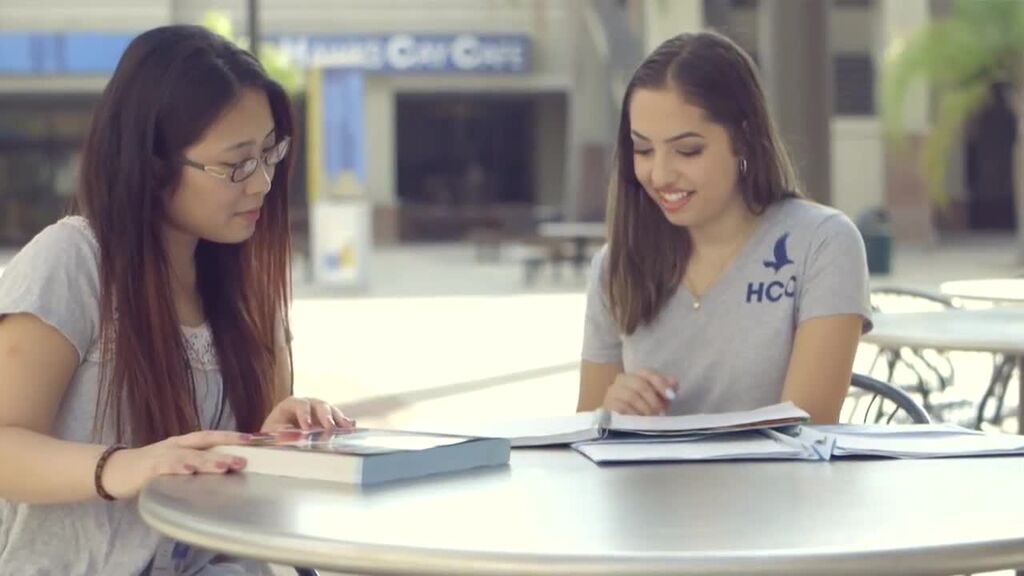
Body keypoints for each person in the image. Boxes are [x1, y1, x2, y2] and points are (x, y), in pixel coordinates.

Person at [0, 25, 351, 574]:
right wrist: (127, 466)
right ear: (152, 162)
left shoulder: (245, 280)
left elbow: (230, 472)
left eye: (269, 153)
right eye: (235, 163)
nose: (260, 183)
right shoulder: (73, 259)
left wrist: (274, 437)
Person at [578, 31, 871, 424]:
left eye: (687, 150)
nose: (660, 174)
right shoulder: (616, 265)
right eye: (643, 149)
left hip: (777, 486)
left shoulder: (823, 243)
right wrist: (610, 415)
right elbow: (583, 443)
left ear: (744, 139)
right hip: (648, 486)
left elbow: (806, 429)